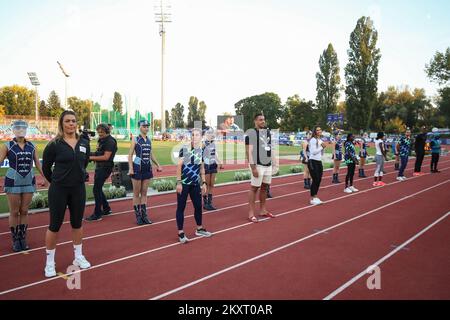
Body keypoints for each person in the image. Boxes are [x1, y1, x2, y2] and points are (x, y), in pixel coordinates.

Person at [42, 110, 91, 278]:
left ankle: (78, 257)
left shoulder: (84, 142)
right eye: (68, 121)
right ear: (61, 124)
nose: (71, 124)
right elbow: (46, 168)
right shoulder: (54, 144)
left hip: (78, 189)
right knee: (54, 225)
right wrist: (57, 181)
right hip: (59, 189)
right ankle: (49, 263)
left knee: (77, 224)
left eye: (73, 121)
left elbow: (84, 163)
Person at [0, 120, 47, 252]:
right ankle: (15, 239)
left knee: (25, 211)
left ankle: (22, 237)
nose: (20, 130)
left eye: (23, 128)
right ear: (13, 130)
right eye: (17, 128)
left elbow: (37, 163)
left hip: (28, 180)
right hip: (13, 181)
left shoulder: (32, 146)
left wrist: (46, 177)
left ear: (26, 129)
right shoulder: (7, 145)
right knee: (14, 211)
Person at [176, 128, 212, 243]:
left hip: (195, 184)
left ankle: (199, 228)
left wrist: (204, 182)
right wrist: (179, 182)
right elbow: (179, 166)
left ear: (201, 137)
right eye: (192, 135)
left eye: (197, 135)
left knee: (198, 206)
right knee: (181, 208)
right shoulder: (186, 149)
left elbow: (201, 168)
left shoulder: (201, 150)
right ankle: (181, 233)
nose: (194, 137)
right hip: (185, 184)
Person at [128, 120, 162, 225]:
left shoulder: (149, 140)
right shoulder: (135, 139)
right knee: (136, 193)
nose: (146, 128)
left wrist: (158, 164)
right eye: (144, 126)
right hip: (137, 167)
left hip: (147, 168)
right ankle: (138, 216)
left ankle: (144, 216)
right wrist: (131, 168)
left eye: (147, 126)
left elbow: (151, 154)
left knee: (144, 193)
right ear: (140, 127)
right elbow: (130, 155)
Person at [246, 114, 278, 222]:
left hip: (267, 164)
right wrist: (253, 167)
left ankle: (263, 210)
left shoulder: (267, 132)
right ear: (255, 121)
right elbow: (248, 152)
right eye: (260, 120)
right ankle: (251, 213)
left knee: (265, 187)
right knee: (254, 188)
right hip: (257, 164)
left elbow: (269, 149)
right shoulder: (251, 134)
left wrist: (274, 162)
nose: (263, 121)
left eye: (263, 120)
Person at [85, 124, 118, 221]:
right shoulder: (101, 140)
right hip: (100, 167)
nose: (100, 134)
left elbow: (105, 157)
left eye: (102, 132)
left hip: (105, 167)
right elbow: (99, 152)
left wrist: (89, 157)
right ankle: (106, 208)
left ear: (107, 131)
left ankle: (97, 214)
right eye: (98, 132)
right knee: (98, 188)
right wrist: (89, 153)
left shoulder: (110, 141)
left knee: (96, 189)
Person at [202, 127, 224, 211]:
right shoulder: (203, 143)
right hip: (206, 165)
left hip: (213, 164)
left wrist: (219, 161)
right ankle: (205, 203)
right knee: (206, 184)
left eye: (212, 134)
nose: (211, 135)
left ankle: (209, 203)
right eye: (209, 134)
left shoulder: (214, 143)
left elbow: (215, 154)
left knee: (212, 184)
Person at [308, 126, 326, 205]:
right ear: (314, 132)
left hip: (319, 161)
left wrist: (323, 148)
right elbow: (313, 152)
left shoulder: (320, 140)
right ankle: (312, 198)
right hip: (312, 161)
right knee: (315, 179)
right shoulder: (313, 140)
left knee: (319, 179)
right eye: (317, 130)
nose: (319, 131)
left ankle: (315, 196)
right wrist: (322, 147)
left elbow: (321, 153)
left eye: (320, 129)